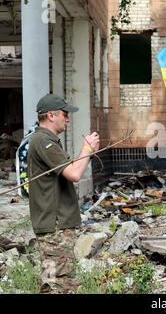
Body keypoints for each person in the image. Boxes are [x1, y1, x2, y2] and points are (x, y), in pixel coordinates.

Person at [27, 94, 100, 293]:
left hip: (51, 223)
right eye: (65, 114)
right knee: (62, 283)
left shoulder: (46, 140)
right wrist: (86, 147)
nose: (68, 119)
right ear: (51, 115)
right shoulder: (45, 142)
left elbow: (71, 169)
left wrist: (89, 152)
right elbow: (75, 174)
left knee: (51, 282)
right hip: (55, 225)